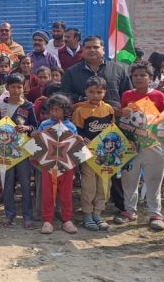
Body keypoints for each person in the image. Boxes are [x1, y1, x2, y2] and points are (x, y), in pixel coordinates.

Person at [116, 62, 164, 230]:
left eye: (142, 75)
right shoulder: (126, 95)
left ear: (150, 78)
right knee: (129, 179)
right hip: (132, 145)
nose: (138, 78)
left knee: (154, 180)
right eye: (135, 75)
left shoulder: (159, 96)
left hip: (153, 145)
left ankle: (155, 213)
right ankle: (129, 211)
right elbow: (124, 120)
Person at [32, 94, 80, 234]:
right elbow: (38, 143)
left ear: (66, 111)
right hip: (48, 165)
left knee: (66, 193)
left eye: (57, 110)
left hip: (66, 166)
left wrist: (78, 139)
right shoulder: (44, 124)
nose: (54, 113)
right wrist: (35, 134)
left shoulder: (70, 126)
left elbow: (75, 148)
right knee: (47, 192)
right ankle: (47, 220)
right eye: (51, 110)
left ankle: (67, 219)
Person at [71, 77, 115, 232]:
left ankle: (98, 213)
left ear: (104, 92)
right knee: (89, 184)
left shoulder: (109, 109)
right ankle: (87, 214)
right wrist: (82, 138)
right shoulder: (80, 110)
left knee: (104, 184)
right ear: (85, 92)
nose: (95, 95)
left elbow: (112, 130)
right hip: (88, 153)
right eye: (91, 92)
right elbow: (77, 131)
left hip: (105, 155)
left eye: (99, 92)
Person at [0, 74, 37, 229]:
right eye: (13, 86)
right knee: (7, 184)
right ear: (7, 88)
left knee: (25, 183)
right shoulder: (1, 106)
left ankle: (27, 217)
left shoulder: (28, 106)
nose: (16, 90)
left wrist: (27, 128)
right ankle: (9, 215)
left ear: (24, 87)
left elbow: (35, 126)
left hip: (23, 151)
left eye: (19, 87)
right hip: (5, 151)